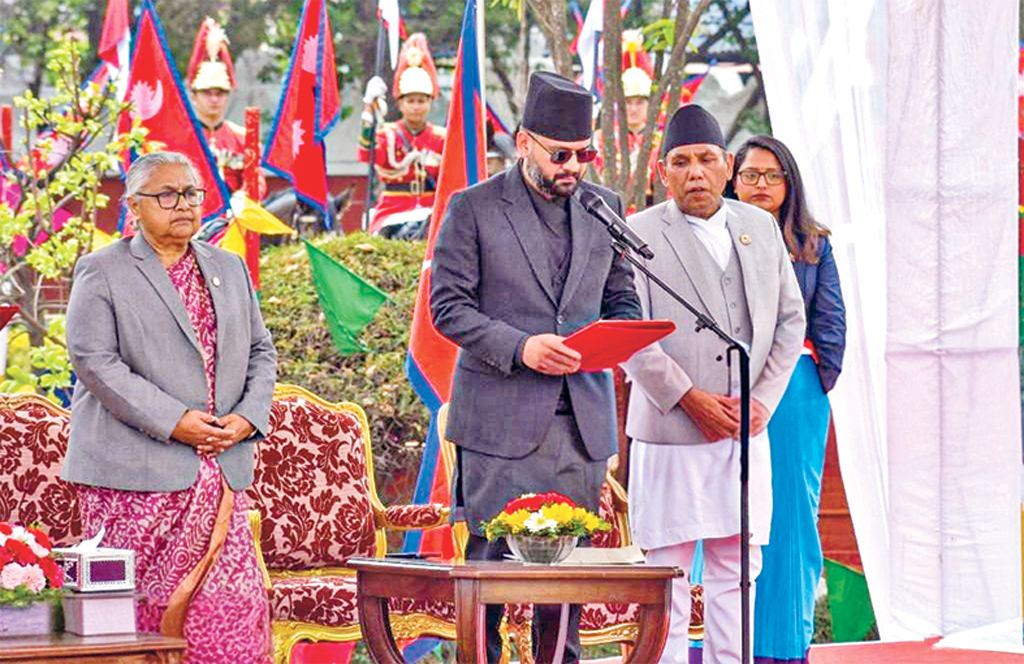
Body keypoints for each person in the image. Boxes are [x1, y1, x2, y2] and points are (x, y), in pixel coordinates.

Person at [431, 71, 642, 664]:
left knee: (566, 586)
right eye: (560, 155)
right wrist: (521, 346)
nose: (573, 167)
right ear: (523, 143)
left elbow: (622, 299)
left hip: (581, 426)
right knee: (490, 582)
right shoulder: (473, 208)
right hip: (499, 425)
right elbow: (447, 308)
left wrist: (615, 336)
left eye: (584, 154)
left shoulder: (606, 209)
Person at [61, 151, 277, 663]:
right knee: (135, 630)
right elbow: (94, 361)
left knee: (233, 623)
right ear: (134, 206)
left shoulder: (228, 266)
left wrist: (247, 418)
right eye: (167, 195)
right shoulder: (103, 269)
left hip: (221, 473)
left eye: (191, 194)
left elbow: (261, 351)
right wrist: (175, 422)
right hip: (133, 481)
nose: (182, 204)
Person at [621, 105, 805, 664]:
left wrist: (762, 402)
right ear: (663, 169)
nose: (695, 173)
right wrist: (688, 399)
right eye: (681, 162)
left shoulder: (759, 226)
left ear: (727, 165)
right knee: (668, 577)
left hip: (745, 431)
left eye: (706, 160)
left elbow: (790, 320)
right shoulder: (637, 232)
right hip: (671, 430)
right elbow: (630, 334)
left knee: (738, 569)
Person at [730, 135, 846, 664]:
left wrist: (815, 380)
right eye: (750, 174)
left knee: (793, 514)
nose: (760, 185)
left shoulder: (812, 243)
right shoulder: (717, 236)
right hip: (729, 389)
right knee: (733, 512)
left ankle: (785, 645)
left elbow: (832, 323)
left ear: (788, 183)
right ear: (733, 178)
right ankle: (731, 642)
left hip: (796, 392)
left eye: (771, 176)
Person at [359, 33, 446, 236]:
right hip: (393, 208)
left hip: (431, 207)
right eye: (410, 101)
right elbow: (365, 153)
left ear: (430, 103)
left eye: (422, 101)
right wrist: (367, 108)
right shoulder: (386, 134)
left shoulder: (442, 138)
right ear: (400, 104)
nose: (416, 107)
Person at [187, 17, 266, 198]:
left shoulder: (244, 138)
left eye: (220, 93)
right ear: (194, 96)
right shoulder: (181, 137)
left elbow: (257, 181)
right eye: (207, 93)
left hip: (236, 216)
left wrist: (242, 198)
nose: (214, 99)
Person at [593, 30, 660, 211]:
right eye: (628, 102)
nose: (633, 109)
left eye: (639, 102)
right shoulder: (602, 138)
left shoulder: (660, 140)